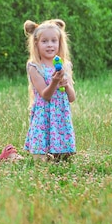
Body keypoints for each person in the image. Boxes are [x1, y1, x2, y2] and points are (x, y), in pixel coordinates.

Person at [23, 19, 76, 161]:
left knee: (64, 159)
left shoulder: (64, 65)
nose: (50, 45)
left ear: (60, 43)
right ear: (36, 44)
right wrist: (54, 81)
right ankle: (11, 156)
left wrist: (66, 85)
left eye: (54, 41)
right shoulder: (34, 66)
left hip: (60, 116)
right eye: (44, 41)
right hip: (43, 116)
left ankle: (58, 155)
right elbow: (45, 95)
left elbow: (72, 98)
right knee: (40, 160)